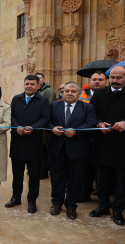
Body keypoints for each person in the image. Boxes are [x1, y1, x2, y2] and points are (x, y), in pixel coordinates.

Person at [48, 82, 97, 220]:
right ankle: (56, 203)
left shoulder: (88, 107)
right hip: (57, 148)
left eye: (73, 91)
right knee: (57, 178)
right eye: (67, 91)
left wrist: (76, 132)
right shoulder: (53, 106)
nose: (69, 93)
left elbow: (91, 124)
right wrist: (52, 128)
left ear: (79, 93)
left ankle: (71, 206)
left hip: (78, 149)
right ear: (62, 92)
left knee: (76, 179)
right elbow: (47, 121)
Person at [6, 75, 50, 214]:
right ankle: (16, 197)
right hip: (17, 142)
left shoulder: (43, 101)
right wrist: (16, 126)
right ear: (23, 85)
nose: (29, 86)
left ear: (38, 85)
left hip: (34, 144)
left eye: (32, 84)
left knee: (34, 175)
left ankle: (32, 201)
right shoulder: (16, 99)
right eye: (26, 84)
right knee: (17, 174)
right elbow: (10, 116)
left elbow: (45, 118)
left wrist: (33, 128)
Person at [89, 65, 125, 225]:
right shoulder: (99, 94)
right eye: (113, 77)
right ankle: (103, 206)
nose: (115, 81)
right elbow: (92, 113)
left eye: (119, 78)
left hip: (122, 145)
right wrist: (98, 123)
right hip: (102, 142)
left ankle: (118, 210)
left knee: (121, 180)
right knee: (101, 178)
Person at [79, 71, 107, 203]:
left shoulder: (110, 95)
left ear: (105, 81)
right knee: (86, 167)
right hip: (86, 136)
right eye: (94, 79)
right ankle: (85, 192)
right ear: (90, 81)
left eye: (100, 79)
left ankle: (104, 195)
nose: (97, 82)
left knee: (102, 169)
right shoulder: (81, 95)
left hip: (104, 137)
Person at [35, 72, 56, 179]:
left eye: (39, 78)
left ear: (43, 79)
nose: (38, 80)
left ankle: (43, 171)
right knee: (38, 148)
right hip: (36, 125)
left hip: (44, 125)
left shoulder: (49, 91)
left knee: (44, 148)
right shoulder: (35, 91)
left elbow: (49, 106)